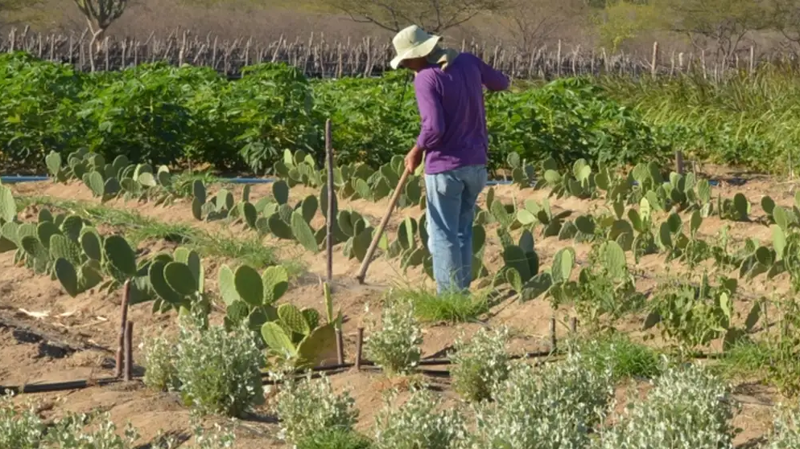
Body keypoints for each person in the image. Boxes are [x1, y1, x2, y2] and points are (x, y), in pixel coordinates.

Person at [390, 25, 510, 294]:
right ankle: (462, 293)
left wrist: (416, 149)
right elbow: (501, 83)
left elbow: (434, 128)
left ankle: (450, 298)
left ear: (419, 54)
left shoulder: (425, 78)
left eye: (407, 60)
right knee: (462, 231)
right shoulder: (467, 61)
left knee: (443, 235)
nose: (407, 66)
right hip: (476, 165)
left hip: (445, 168)